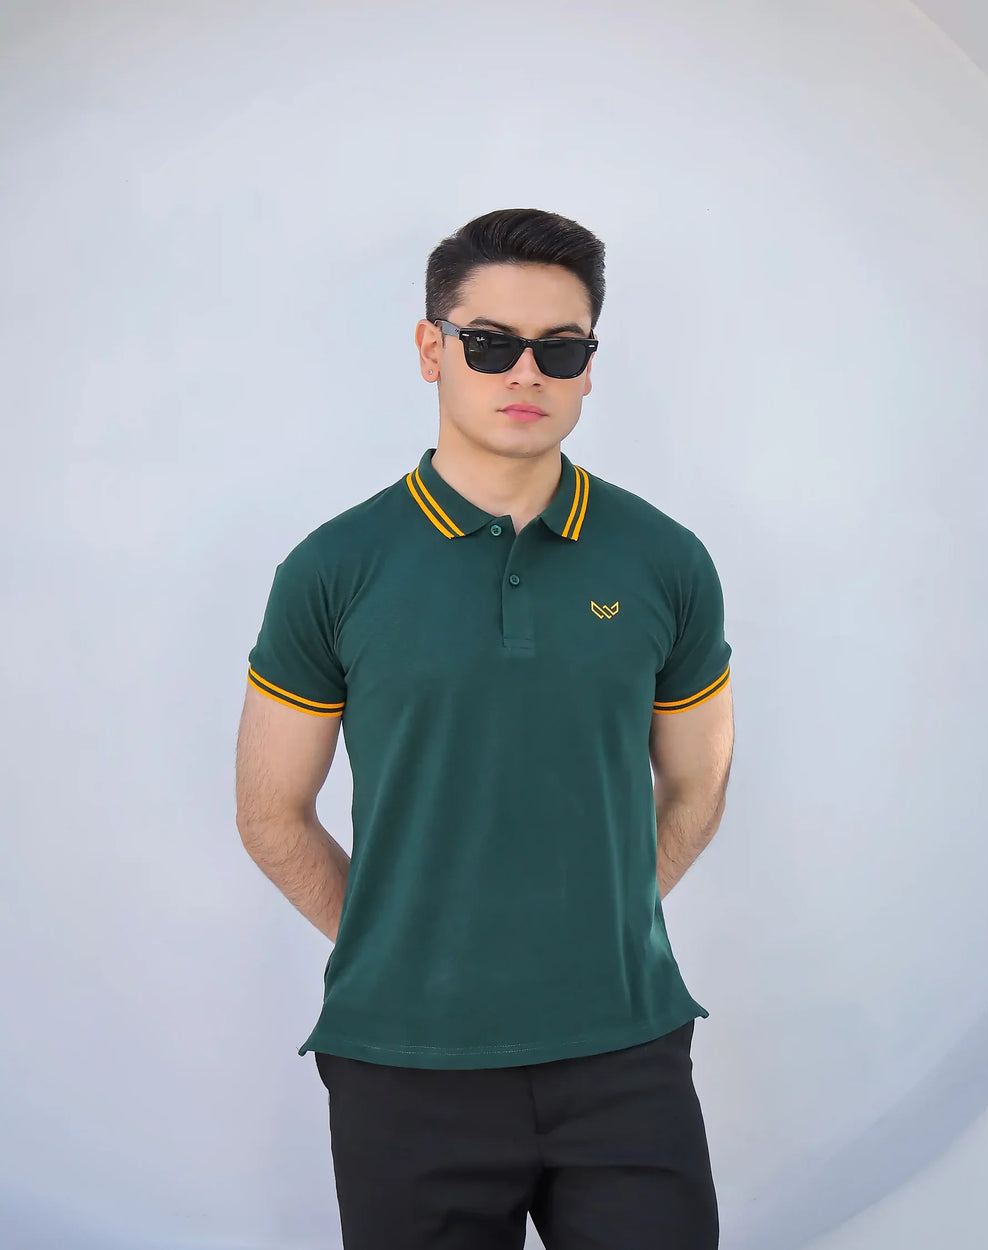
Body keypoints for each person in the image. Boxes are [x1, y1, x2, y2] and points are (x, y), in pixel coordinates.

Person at [235, 207, 734, 1249]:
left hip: (625, 1057)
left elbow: (697, 784)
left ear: (589, 367)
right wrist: (403, 943)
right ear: (432, 349)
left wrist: (596, 930)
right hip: (403, 1066)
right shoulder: (333, 569)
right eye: (491, 343)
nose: (526, 373)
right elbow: (271, 811)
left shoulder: (665, 561)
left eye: (560, 349)